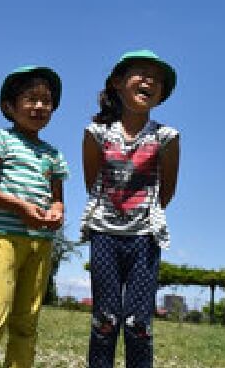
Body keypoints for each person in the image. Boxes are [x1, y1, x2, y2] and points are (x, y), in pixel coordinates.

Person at [0, 66, 68, 368]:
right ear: (9, 106)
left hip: (40, 244)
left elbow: (58, 198)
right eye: (30, 99)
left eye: (46, 101)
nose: (39, 107)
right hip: (2, 239)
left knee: (26, 324)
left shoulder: (53, 153)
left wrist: (56, 212)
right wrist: (20, 206)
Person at [80, 50, 181, 368]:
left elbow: (167, 190)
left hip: (144, 238)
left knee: (139, 323)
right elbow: (92, 181)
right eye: (140, 72)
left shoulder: (166, 137)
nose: (149, 80)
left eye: (157, 78)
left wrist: (142, 215)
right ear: (117, 83)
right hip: (105, 235)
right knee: (105, 319)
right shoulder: (97, 134)